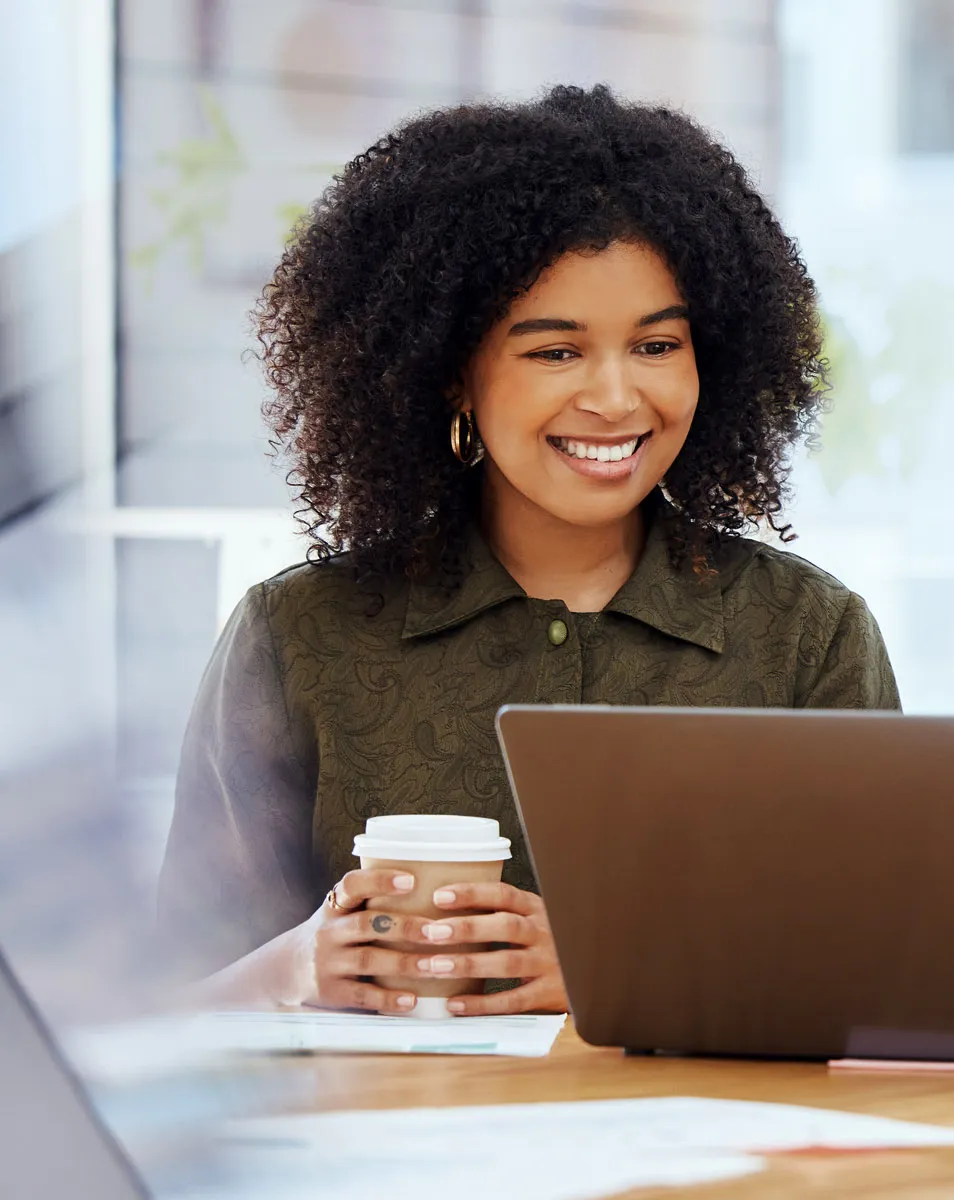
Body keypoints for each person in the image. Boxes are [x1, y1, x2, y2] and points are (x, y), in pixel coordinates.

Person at [160, 85, 899, 1017]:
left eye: (657, 344)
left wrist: (620, 967)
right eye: (555, 352)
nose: (617, 398)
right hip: (385, 1151)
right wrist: (297, 968)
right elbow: (161, 1011)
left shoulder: (809, 636)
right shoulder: (300, 635)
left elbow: (885, 967)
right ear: (451, 372)